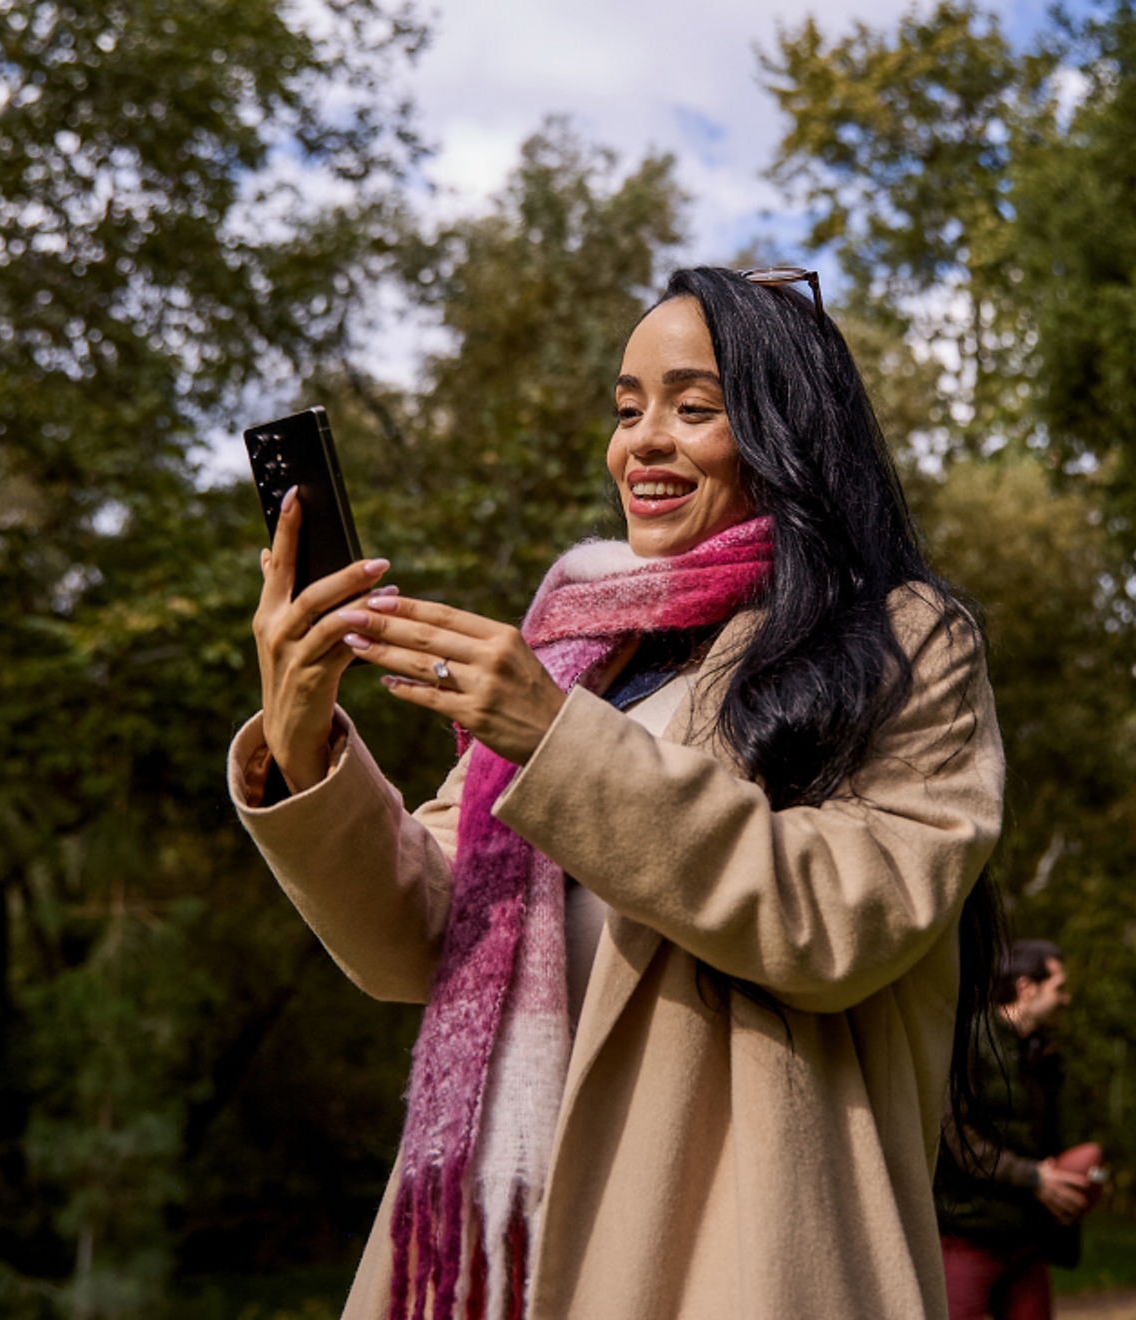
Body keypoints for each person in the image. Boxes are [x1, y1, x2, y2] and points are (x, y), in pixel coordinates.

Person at [228, 266, 1006, 1320]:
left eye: (694, 408)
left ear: (788, 431)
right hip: (505, 1254)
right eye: (626, 409)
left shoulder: (902, 636)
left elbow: (842, 920)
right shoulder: (570, 657)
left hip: (735, 1252)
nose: (641, 441)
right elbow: (412, 940)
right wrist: (303, 740)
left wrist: (557, 742)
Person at [936, 939, 1092, 1320]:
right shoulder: (967, 1041)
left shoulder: (1044, 1055)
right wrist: (1034, 1178)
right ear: (1026, 987)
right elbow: (960, 1138)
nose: (1066, 999)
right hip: (967, 1237)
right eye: (1059, 987)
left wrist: (1075, 1183)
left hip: (1026, 1240)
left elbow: (1048, 1144)